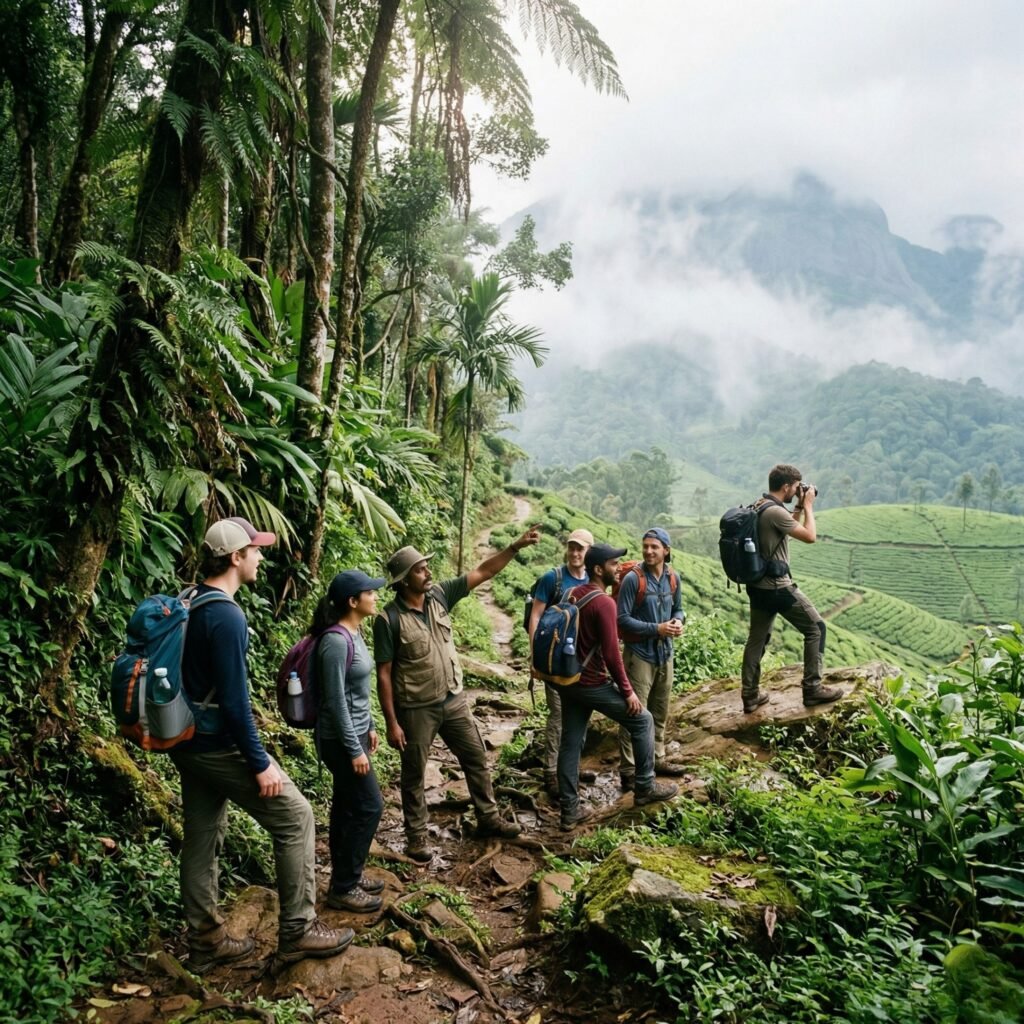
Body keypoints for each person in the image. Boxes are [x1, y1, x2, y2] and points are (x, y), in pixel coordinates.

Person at [172, 517, 352, 974]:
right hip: (217, 743)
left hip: (186, 738)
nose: (260, 557)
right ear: (235, 557)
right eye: (254, 550)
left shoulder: (190, 600)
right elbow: (235, 703)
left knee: (202, 835)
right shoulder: (227, 615)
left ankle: (206, 941)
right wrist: (259, 763)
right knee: (296, 817)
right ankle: (297, 930)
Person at [374, 525, 541, 863]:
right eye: (420, 570)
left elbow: (483, 572)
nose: (428, 573)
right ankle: (416, 837)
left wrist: (514, 547)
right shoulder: (389, 620)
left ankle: (488, 817)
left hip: (453, 701)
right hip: (416, 709)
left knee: (476, 757)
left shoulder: (439, 596)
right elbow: (384, 674)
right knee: (414, 773)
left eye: (426, 567)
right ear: (404, 580)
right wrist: (392, 723)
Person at [556, 543, 679, 831]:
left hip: (568, 680)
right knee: (643, 720)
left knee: (571, 743)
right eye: (613, 564)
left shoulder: (571, 593)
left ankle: (569, 811)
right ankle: (645, 786)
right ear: (599, 569)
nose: (619, 569)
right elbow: (612, 655)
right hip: (591, 682)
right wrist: (628, 692)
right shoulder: (604, 603)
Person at [312, 570, 388, 914]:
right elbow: (335, 701)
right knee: (370, 806)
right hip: (339, 739)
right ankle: (344, 887)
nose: (375, 596)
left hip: (355, 733)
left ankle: (346, 877)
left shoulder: (355, 633)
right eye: (370, 592)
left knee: (346, 805)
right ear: (353, 601)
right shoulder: (335, 642)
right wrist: (354, 749)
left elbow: (357, 690)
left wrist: (369, 725)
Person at [741, 465, 844, 713]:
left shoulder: (760, 506)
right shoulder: (775, 511)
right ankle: (813, 689)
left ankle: (750, 695)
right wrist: (808, 506)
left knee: (757, 639)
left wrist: (797, 506)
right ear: (786, 486)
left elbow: (784, 533)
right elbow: (809, 536)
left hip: (757, 587)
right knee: (816, 628)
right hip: (777, 587)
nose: (799, 490)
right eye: (797, 487)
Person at [526, 528, 596, 799]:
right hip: (554, 661)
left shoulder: (593, 579)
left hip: (582, 661)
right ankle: (551, 772)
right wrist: (535, 655)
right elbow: (535, 616)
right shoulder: (552, 579)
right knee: (558, 715)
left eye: (581, 549)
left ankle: (571, 768)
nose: (575, 553)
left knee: (580, 715)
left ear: (589, 552)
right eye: (572, 547)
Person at [615, 527, 687, 791]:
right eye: (645, 546)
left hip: (665, 653)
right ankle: (629, 770)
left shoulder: (673, 578)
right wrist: (657, 628)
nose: (648, 551)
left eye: (654, 547)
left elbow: (679, 608)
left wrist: (678, 621)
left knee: (659, 709)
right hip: (639, 655)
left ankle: (658, 758)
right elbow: (621, 619)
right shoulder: (633, 580)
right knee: (634, 713)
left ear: (666, 550)